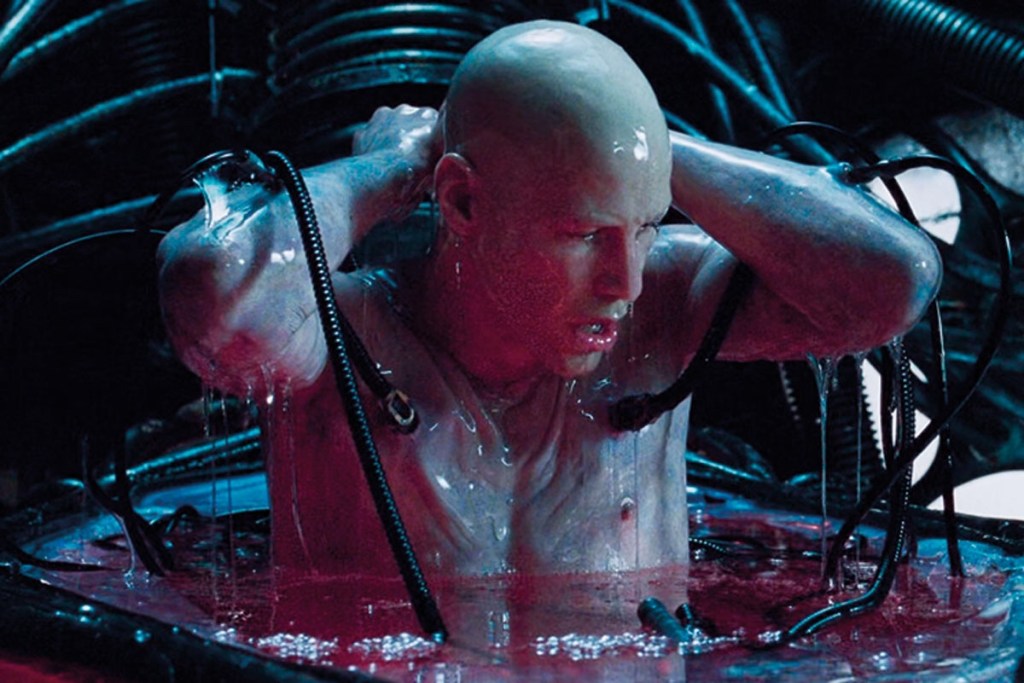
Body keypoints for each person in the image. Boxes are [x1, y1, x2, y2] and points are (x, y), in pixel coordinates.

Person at [157, 21, 941, 579]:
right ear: (463, 202)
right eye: (583, 233)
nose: (626, 282)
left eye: (644, 228)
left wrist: (646, 149)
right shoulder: (337, 336)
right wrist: (394, 168)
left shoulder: (664, 310)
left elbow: (894, 282)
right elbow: (214, 293)